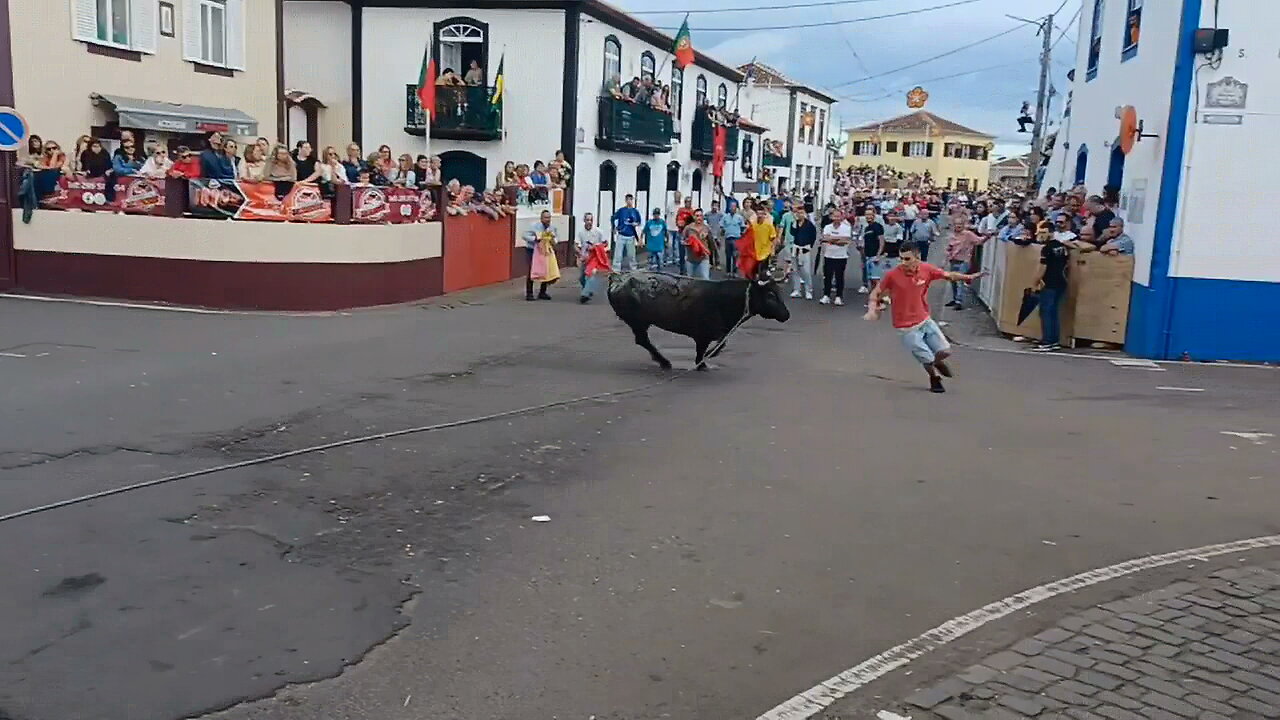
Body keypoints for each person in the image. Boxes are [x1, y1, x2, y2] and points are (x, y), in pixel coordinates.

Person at [865, 245, 984, 393]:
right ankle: (934, 379)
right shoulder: (892, 275)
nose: (903, 263)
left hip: (924, 319)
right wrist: (872, 310)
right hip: (905, 326)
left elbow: (948, 275)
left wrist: (969, 277)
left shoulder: (926, 269)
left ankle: (937, 361)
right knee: (926, 358)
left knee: (945, 351)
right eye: (901, 259)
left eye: (907, 259)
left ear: (917, 258)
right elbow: (876, 293)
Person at [1032, 219, 1073, 352]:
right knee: (1053, 312)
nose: (1041, 235)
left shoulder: (1047, 249)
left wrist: (1035, 283)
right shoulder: (1061, 247)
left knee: (1046, 312)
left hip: (1049, 283)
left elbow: (1042, 267)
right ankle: (1054, 340)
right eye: (1039, 232)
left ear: (1051, 232)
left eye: (1044, 232)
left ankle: (1047, 341)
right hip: (1061, 281)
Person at [944, 223, 983, 310]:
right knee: (952, 280)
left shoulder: (968, 234)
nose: (958, 226)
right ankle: (955, 299)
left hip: (964, 261)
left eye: (960, 224)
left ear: (963, 225)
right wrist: (947, 258)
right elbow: (948, 248)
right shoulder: (952, 235)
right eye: (956, 224)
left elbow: (979, 241)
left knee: (959, 280)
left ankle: (959, 301)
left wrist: (988, 236)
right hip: (953, 260)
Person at [818, 208, 852, 305]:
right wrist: (837, 240)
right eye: (834, 216)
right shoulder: (827, 227)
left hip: (841, 256)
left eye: (838, 216)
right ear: (831, 217)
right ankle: (826, 295)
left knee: (839, 276)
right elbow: (825, 238)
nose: (836, 218)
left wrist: (832, 240)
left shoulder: (846, 227)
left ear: (842, 217)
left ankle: (838, 296)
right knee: (827, 276)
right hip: (828, 255)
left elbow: (845, 240)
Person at [522, 210, 558, 301]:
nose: (548, 220)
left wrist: (553, 239)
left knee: (546, 270)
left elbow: (556, 241)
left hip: (545, 250)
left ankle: (542, 292)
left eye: (549, 217)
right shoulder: (534, 226)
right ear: (541, 218)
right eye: (546, 218)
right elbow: (524, 236)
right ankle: (529, 293)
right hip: (532, 250)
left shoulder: (552, 228)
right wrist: (535, 238)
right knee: (532, 270)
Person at [789, 205, 817, 300]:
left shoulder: (809, 225)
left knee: (806, 271)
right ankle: (797, 290)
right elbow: (792, 233)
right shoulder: (795, 223)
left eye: (801, 213)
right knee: (795, 270)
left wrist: (809, 246)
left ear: (805, 214)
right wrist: (794, 224)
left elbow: (813, 236)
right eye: (798, 213)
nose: (800, 215)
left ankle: (808, 290)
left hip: (805, 249)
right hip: (796, 248)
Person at [577, 212, 607, 303]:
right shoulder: (580, 232)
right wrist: (579, 254)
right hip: (584, 257)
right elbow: (575, 244)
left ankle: (585, 295)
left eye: (591, 220)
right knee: (582, 278)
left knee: (590, 273)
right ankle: (588, 289)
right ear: (584, 221)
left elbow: (605, 243)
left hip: (595, 257)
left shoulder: (598, 231)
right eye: (587, 220)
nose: (589, 222)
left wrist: (596, 247)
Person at [611, 194, 642, 272]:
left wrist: (636, 224)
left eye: (631, 199)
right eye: (628, 199)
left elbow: (639, 222)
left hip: (631, 235)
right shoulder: (621, 211)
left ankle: (633, 269)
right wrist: (614, 227)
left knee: (631, 255)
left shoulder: (635, 211)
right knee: (618, 254)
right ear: (625, 200)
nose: (629, 201)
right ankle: (616, 270)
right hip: (621, 234)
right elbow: (613, 218)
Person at [858, 207, 885, 294]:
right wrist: (864, 259)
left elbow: (881, 242)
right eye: (866, 215)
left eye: (870, 214)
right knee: (871, 280)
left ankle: (878, 301)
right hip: (868, 256)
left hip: (875, 257)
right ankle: (873, 300)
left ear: (874, 215)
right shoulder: (866, 228)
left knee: (876, 280)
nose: (868, 216)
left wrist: (878, 256)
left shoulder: (878, 226)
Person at [683, 209, 712, 279]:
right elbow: (683, 239)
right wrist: (687, 243)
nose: (699, 218)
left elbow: (712, 243)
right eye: (697, 216)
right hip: (691, 259)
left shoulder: (706, 228)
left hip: (703, 258)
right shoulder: (688, 228)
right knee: (690, 280)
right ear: (693, 217)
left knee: (705, 279)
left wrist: (716, 261)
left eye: (701, 216)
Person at [748, 205, 779, 270]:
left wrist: (772, 250)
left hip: (765, 251)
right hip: (755, 250)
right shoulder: (753, 225)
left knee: (763, 269)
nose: (759, 216)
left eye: (761, 214)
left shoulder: (769, 225)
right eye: (758, 214)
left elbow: (773, 238)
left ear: (764, 215)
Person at [721, 200, 747, 276]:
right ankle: (728, 271)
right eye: (731, 206)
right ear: (729, 208)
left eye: (734, 206)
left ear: (736, 208)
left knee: (735, 256)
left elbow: (742, 227)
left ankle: (735, 272)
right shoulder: (725, 217)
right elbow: (722, 226)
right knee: (728, 256)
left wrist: (741, 235)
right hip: (728, 238)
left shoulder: (739, 217)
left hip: (736, 239)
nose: (733, 208)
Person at [704, 200, 725, 270]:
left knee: (717, 250)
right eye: (714, 205)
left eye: (716, 206)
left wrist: (722, 229)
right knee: (710, 249)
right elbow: (703, 220)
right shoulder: (707, 214)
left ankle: (717, 263)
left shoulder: (720, 215)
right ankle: (710, 263)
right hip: (710, 234)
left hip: (717, 234)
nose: (715, 207)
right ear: (711, 206)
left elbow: (724, 222)